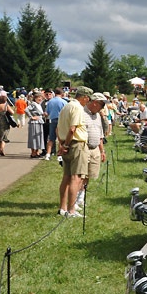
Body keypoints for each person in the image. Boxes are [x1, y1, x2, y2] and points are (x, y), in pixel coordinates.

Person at [57, 86, 93, 217]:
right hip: (76, 145)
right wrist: (66, 145)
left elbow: (58, 128)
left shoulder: (66, 106)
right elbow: (72, 129)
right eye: (88, 99)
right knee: (76, 177)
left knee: (66, 177)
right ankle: (71, 211)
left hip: (66, 144)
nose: (88, 102)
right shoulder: (77, 108)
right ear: (84, 97)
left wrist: (62, 144)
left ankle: (63, 208)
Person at [74, 93, 109, 212]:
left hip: (95, 149)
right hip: (84, 148)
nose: (103, 107)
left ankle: (81, 199)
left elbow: (100, 134)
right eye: (102, 104)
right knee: (80, 175)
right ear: (95, 102)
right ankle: (74, 201)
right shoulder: (81, 113)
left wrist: (102, 150)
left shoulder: (98, 115)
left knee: (88, 175)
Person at [45, 88, 67, 161]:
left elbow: (46, 113)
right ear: (62, 94)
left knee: (51, 138)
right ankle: (59, 155)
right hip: (61, 120)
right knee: (60, 138)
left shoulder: (50, 102)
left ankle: (48, 154)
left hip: (52, 120)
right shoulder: (64, 102)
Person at [26, 91, 46, 158]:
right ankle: (33, 153)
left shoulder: (39, 104)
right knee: (34, 137)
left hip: (39, 121)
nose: (40, 99)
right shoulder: (34, 104)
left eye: (41, 97)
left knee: (38, 137)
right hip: (34, 122)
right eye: (38, 97)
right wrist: (31, 117)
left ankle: (36, 152)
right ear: (35, 98)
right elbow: (26, 110)